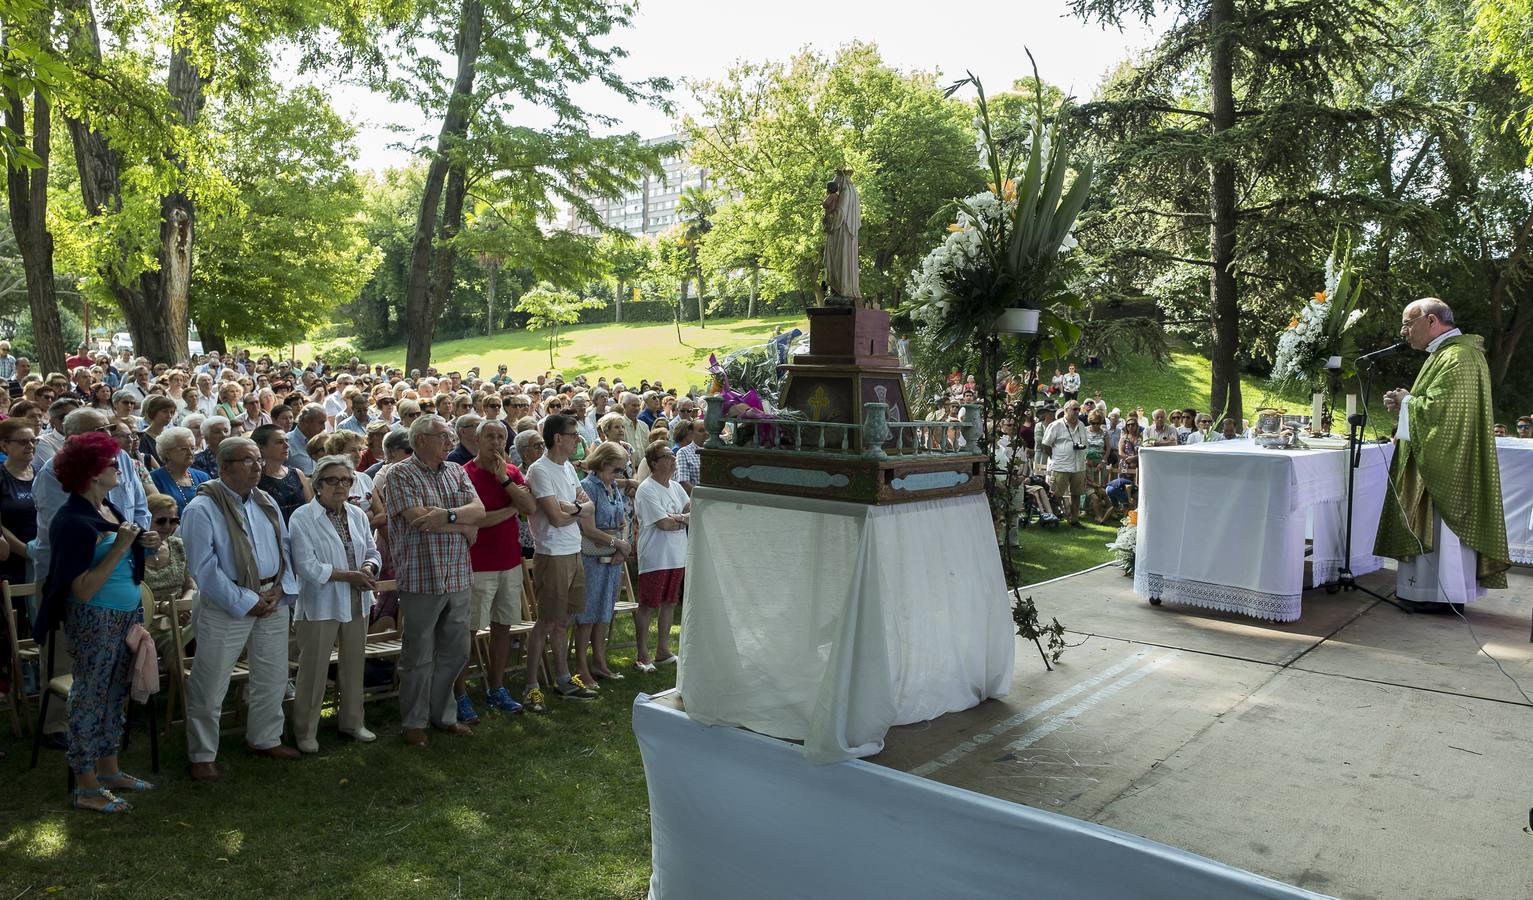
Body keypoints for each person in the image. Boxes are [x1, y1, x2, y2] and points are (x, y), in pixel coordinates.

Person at [41, 432, 152, 811]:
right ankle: (86, 784)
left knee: (115, 694)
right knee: (90, 697)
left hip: (125, 616)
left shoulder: (107, 508)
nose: (116, 467)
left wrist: (142, 545)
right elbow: (83, 589)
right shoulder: (71, 520)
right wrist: (122, 545)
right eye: (109, 463)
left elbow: (122, 556)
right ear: (90, 472)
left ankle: (109, 768)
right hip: (95, 617)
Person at [1377, 298, 1510, 611]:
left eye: (1409, 324)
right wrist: (1406, 403)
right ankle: (1424, 593)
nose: (1404, 332)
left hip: (1448, 461)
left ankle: (1439, 596)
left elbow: (1444, 414)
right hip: (1446, 455)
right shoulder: (1449, 353)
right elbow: (1437, 403)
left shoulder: (1458, 357)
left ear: (1432, 321)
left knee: (1444, 534)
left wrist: (1408, 401)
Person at [182, 436, 302, 780]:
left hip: (272, 598)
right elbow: (203, 568)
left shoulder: (264, 501)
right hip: (228, 605)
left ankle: (265, 738)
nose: (256, 467)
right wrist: (247, 602)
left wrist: (281, 589)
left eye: (258, 461)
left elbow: (285, 549)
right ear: (224, 467)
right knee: (212, 679)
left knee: (272, 675)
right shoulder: (202, 508)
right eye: (247, 461)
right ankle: (202, 753)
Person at [383, 415, 485, 746]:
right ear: (421, 439)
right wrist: (462, 524)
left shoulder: (456, 471)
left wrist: (449, 516)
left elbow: (479, 512)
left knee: (456, 652)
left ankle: (444, 715)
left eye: (450, 435)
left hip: (457, 575)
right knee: (418, 654)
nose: (450, 441)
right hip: (421, 577)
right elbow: (418, 520)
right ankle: (413, 721)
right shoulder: (399, 474)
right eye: (443, 435)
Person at [289, 456, 381, 753]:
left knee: (354, 665)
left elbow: (372, 549)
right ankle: (305, 731)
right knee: (313, 670)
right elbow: (307, 566)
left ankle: (353, 723)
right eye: (333, 480)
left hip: (357, 599)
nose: (341, 485)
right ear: (317, 485)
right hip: (320, 604)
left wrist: (368, 568)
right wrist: (348, 576)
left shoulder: (357, 514)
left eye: (346, 480)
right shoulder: (302, 517)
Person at [455, 418, 533, 718]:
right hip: (478, 565)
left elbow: (531, 507)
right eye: (490, 436)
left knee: (504, 626)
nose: (496, 442)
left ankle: (496, 688)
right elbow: (475, 519)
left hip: (510, 562)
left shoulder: (511, 472)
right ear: (477, 440)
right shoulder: (465, 474)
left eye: (501, 437)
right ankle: (459, 693)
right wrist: (511, 508)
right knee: (470, 630)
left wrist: (505, 482)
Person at [523, 414, 600, 709]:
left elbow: (588, 505)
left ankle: (563, 678)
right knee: (545, 622)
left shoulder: (567, 467)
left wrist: (574, 507)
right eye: (573, 434)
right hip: (552, 554)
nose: (578, 439)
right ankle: (531, 686)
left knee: (563, 620)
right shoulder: (540, 470)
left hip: (573, 550)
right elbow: (555, 519)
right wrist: (577, 510)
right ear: (558, 438)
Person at [575, 441, 633, 685]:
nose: (619, 475)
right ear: (602, 464)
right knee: (587, 614)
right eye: (616, 470)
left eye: (622, 471)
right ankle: (581, 667)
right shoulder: (588, 487)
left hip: (611, 557)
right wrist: (617, 543)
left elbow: (621, 521)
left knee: (604, 612)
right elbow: (588, 528)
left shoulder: (612, 487)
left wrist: (622, 544)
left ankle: (600, 662)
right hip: (592, 557)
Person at [634, 442, 689, 670]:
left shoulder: (676, 487)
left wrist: (679, 518)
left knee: (669, 602)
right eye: (668, 456)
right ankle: (642, 654)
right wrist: (682, 519)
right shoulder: (646, 489)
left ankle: (663, 650)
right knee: (647, 604)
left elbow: (690, 511)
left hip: (677, 554)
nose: (674, 459)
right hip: (655, 557)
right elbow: (664, 524)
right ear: (654, 463)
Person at [142, 494, 194, 658]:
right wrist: (164, 607)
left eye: (173, 521)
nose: (167, 526)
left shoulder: (178, 545)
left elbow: (190, 585)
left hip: (180, 613)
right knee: (172, 639)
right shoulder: (133, 550)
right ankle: (181, 682)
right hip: (149, 617)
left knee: (213, 627)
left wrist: (183, 606)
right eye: (161, 520)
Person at [0, 418, 38, 587]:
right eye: (23, 441)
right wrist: (27, 552)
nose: (30, 445)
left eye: (33, 440)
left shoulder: (42, 475)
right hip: (14, 562)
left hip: (45, 557)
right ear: (4, 446)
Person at [1040, 400, 1089, 528]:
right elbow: (1045, 444)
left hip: (1079, 465)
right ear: (1066, 410)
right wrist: (1054, 456)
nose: (1077, 412)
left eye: (1078, 409)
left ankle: (1074, 520)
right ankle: (1053, 518)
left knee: (1076, 494)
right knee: (1056, 494)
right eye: (1074, 409)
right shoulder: (1056, 425)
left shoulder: (1082, 425)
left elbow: (1085, 444)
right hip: (1061, 465)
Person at [253, 424, 311, 522]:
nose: (286, 446)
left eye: (287, 441)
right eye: (279, 442)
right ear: (261, 448)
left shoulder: (297, 474)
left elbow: (310, 509)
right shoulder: (255, 479)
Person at [151, 426, 211, 515]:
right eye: (184, 449)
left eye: (192, 448)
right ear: (167, 453)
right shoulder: (154, 479)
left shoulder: (203, 477)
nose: (190, 453)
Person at [1106, 419, 1141, 511]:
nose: (1130, 426)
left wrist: (1134, 458)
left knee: (1136, 487)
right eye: (1128, 425)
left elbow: (1143, 451)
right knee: (1124, 485)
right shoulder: (1124, 438)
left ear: (1137, 425)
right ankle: (1125, 507)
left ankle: (1136, 509)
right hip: (1125, 465)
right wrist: (1128, 459)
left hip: (1139, 464)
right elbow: (1120, 452)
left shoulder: (1141, 437)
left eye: (1133, 424)